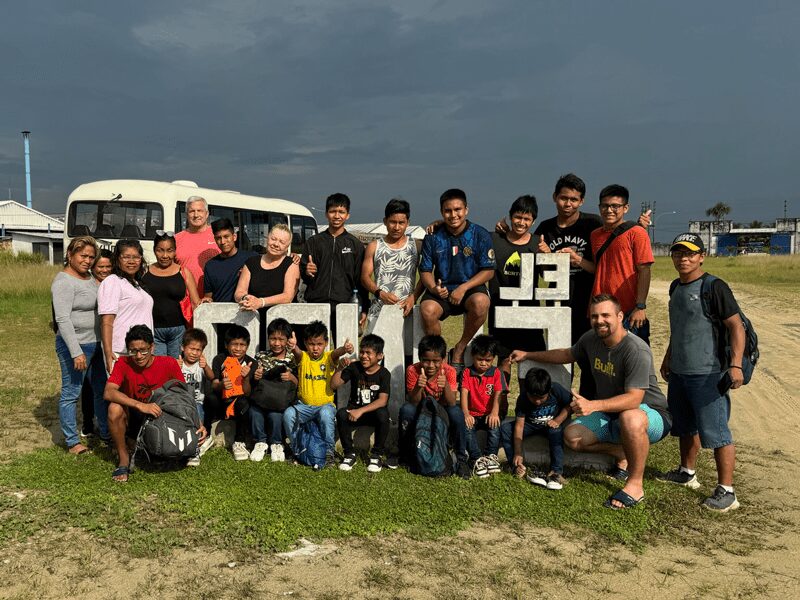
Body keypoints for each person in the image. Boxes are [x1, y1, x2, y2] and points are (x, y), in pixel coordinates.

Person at [510, 294, 672, 509]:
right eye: (595, 316)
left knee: (630, 417)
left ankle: (635, 484)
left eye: (606, 315)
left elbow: (634, 399)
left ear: (620, 316)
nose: (599, 321)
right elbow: (566, 354)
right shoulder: (591, 339)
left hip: (650, 413)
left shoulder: (635, 349)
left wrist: (593, 405)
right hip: (612, 415)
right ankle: (620, 452)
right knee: (573, 437)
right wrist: (528, 354)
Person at [658, 233, 745, 512]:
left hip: (709, 373)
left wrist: (736, 364)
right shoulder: (675, 287)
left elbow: (736, 326)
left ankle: (727, 491)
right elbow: (680, 327)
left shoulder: (714, 286)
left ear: (701, 256)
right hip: (681, 372)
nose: (683, 258)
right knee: (685, 426)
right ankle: (687, 472)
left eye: (690, 253)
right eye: (678, 253)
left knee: (716, 432)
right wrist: (669, 357)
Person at [104, 325, 205, 482]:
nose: (138, 356)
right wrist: (140, 405)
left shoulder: (169, 363)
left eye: (143, 350)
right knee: (114, 408)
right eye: (133, 351)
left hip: (160, 416)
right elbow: (109, 392)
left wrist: (198, 422)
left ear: (152, 347)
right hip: (135, 414)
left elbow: (184, 397)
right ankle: (124, 459)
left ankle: (144, 446)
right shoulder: (123, 363)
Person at [419, 189, 495, 370]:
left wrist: (463, 287)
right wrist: (433, 288)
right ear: (441, 212)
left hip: (470, 288)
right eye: (448, 211)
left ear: (466, 210)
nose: (453, 215)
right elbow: (425, 271)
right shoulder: (433, 236)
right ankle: (441, 357)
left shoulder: (480, 234)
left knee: (481, 302)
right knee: (427, 310)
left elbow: (488, 271)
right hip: (442, 289)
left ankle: (460, 348)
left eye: (458, 209)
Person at [52, 236, 109, 454]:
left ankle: (105, 433)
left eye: (91, 257)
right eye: (83, 256)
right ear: (70, 255)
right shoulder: (63, 282)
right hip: (75, 346)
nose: (87, 260)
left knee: (101, 391)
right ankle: (72, 441)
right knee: (71, 393)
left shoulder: (90, 278)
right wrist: (76, 352)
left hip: (96, 344)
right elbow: (63, 319)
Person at [488, 194, 545, 389]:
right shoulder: (494, 239)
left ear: (533, 221)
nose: (521, 223)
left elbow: (547, 277)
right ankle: (501, 401)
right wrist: (436, 223)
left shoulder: (538, 243)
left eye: (527, 219)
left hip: (530, 312)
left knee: (529, 363)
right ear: (510, 216)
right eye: (518, 217)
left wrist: (547, 256)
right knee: (503, 359)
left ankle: (526, 407)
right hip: (500, 309)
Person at [398, 335, 471, 479]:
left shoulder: (449, 371)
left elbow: (451, 402)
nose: (431, 365)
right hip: (421, 410)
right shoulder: (413, 370)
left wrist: (446, 387)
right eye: (426, 360)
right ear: (420, 358)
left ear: (443, 359)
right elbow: (413, 401)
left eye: (436, 361)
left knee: (456, 413)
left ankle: (461, 459)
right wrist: (419, 386)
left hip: (442, 412)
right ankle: (405, 455)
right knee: (406, 410)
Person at [285, 320, 354, 468]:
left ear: (326, 343)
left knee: (326, 414)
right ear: (305, 343)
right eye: (311, 344)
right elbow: (297, 352)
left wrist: (344, 349)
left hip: (325, 405)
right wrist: (293, 346)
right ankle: (296, 450)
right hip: (303, 406)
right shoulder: (303, 357)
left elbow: (336, 353)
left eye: (319, 344)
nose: (315, 348)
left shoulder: (328, 357)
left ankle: (329, 452)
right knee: (288, 415)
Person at [590, 184, 654, 345]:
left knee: (633, 360)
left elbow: (644, 270)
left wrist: (640, 307)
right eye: (605, 206)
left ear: (625, 208)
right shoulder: (595, 235)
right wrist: (576, 258)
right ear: (599, 207)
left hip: (628, 311)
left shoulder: (637, 233)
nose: (609, 210)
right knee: (603, 363)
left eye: (615, 206)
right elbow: (599, 269)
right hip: (600, 310)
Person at [300, 193, 369, 335]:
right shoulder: (313, 242)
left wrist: (363, 308)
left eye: (341, 212)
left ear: (347, 215)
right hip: (316, 304)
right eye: (332, 211)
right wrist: (306, 271)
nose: (337, 216)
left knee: (345, 350)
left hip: (345, 305)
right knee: (316, 350)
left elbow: (360, 281)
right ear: (326, 214)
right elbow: (304, 277)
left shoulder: (355, 245)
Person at [500, 368, 571, 490]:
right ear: (526, 391)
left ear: (548, 391)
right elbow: (519, 425)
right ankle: (517, 466)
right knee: (506, 428)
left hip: (550, 425)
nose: (537, 401)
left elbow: (571, 405)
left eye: (541, 398)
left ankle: (556, 472)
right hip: (530, 425)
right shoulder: (523, 398)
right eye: (533, 397)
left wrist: (558, 420)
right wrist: (518, 453)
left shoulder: (556, 389)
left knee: (556, 431)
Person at [361, 199, 423, 335]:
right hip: (379, 311)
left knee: (406, 354)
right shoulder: (374, 246)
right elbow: (365, 277)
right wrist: (379, 293)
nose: (397, 227)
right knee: (376, 354)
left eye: (401, 223)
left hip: (406, 310)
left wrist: (413, 297)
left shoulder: (416, 246)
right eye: (393, 222)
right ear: (385, 221)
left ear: (408, 223)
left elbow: (426, 275)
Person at [332, 333, 391, 473]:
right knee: (341, 414)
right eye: (362, 352)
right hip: (354, 413)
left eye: (369, 353)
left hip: (372, 414)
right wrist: (340, 368)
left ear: (379, 356)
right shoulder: (354, 368)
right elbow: (334, 385)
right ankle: (349, 453)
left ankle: (376, 455)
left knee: (384, 414)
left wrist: (361, 410)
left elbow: (383, 400)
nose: (364, 356)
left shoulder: (384, 373)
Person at [235, 223, 300, 348]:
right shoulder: (251, 262)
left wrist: (260, 302)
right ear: (267, 238)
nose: (276, 244)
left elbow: (288, 296)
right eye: (273, 239)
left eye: (281, 242)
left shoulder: (291, 263)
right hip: (251, 324)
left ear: (287, 246)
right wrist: (246, 299)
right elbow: (239, 292)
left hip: (280, 329)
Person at [98, 240, 154, 374]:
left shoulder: (136, 283)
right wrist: (108, 353)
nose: (131, 261)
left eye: (136, 257)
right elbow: (106, 321)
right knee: (120, 393)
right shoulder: (112, 282)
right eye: (126, 257)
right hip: (121, 352)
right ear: (117, 259)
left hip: (141, 351)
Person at [141, 232, 201, 357]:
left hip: (179, 332)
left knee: (176, 370)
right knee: (159, 370)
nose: (165, 255)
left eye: (170, 250)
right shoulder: (144, 272)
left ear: (175, 251)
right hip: (152, 331)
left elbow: (196, 303)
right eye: (160, 250)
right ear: (154, 250)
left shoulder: (184, 272)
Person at [249, 318, 298, 463]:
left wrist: (291, 377)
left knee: (275, 415)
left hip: (281, 400)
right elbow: (254, 379)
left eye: (281, 339)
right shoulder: (261, 356)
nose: (277, 343)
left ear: (288, 340)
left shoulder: (293, 358)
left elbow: (299, 382)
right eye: (273, 339)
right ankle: (260, 442)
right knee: (254, 412)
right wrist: (256, 375)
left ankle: (277, 444)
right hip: (263, 397)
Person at [207, 324, 257, 461]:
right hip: (223, 402)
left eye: (242, 344)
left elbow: (247, 393)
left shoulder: (251, 363)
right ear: (226, 345)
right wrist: (222, 385)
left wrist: (246, 377)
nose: (238, 348)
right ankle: (206, 436)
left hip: (240, 405)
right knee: (210, 398)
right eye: (234, 344)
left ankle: (239, 441)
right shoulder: (219, 359)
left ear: (247, 346)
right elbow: (214, 384)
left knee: (244, 402)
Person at [460, 335, 506, 478]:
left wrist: (494, 413)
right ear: (473, 356)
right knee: (467, 429)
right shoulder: (467, 372)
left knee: (495, 427)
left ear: (493, 359)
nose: (484, 364)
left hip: (489, 414)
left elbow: (499, 393)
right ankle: (477, 458)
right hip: (472, 413)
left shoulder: (497, 373)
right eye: (480, 359)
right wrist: (466, 414)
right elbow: (464, 394)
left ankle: (491, 456)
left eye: (488, 360)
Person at [79, 248, 113, 439]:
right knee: (87, 385)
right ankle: (87, 422)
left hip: (108, 340)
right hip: (89, 340)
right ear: (93, 267)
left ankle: (106, 424)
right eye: (101, 266)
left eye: (108, 266)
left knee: (103, 384)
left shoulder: (115, 283)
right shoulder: (87, 284)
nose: (105, 270)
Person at [178, 328, 215, 467]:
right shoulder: (179, 364)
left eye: (198, 350)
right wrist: (176, 368)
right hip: (180, 403)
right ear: (183, 347)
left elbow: (212, 378)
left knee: (198, 421)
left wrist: (206, 367)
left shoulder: (200, 365)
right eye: (191, 348)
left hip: (196, 402)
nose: (194, 353)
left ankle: (195, 451)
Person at [203, 218, 257, 303]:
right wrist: (206, 300)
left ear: (234, 237)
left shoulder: (251, 258)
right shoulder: (210, 266)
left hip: (247, 311)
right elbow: (208, 297)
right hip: (221, 313)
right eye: (218, 238)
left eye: (226, 237)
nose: (223, 242)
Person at [175, 196, 220, 296]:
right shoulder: (176, 239)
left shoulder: (218, 236)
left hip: (213, 300)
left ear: (207, 214)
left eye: (200, 210)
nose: (196, 215)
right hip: (185, 301)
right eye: (192, 211)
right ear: (186, 215)